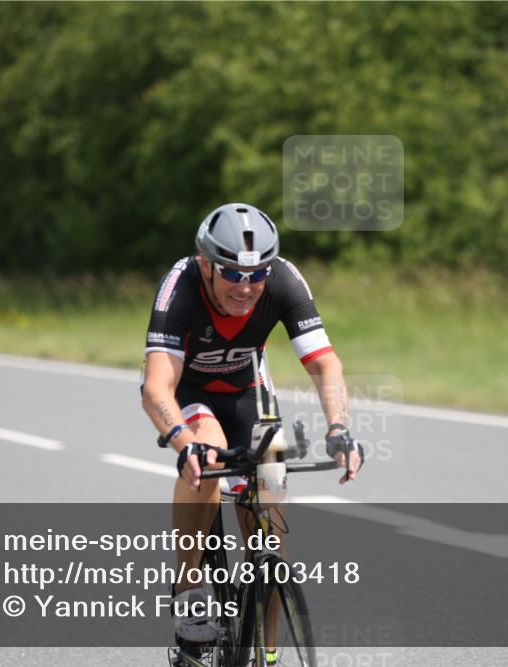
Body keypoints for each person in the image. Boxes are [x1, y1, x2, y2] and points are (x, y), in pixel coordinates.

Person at [139, 202, 363, 657]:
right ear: (206, 264)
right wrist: (183, 444)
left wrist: (339, 429)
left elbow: (324, 363)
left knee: (271, 543)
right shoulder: (180, 287)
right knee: (208, 452)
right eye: (232, 274)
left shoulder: (283, 278)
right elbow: (156, 385)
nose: (246, 287)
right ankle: (189, 590)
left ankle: (269, 653)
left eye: (256, 275)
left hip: (248, 393)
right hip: (191, 392)